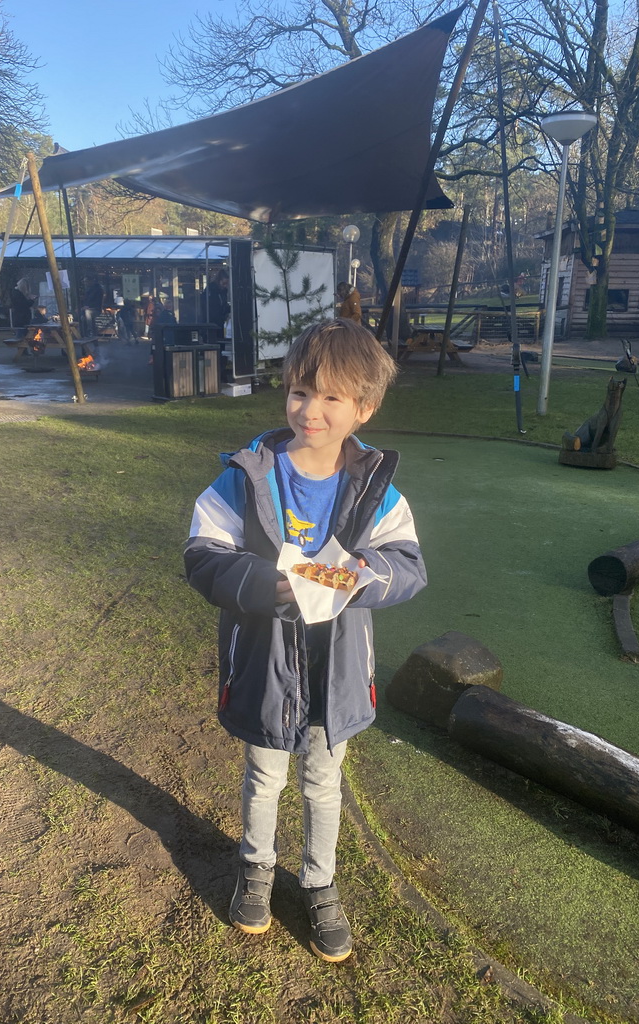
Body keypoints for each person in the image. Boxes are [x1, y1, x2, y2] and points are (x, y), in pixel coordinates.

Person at [184, 319, 427, 962]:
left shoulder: (376, 489)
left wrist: (363, 578)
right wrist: (267, 586)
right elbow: (203, 555)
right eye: (298, 392)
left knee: (324, 780)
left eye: (330, 398)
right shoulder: (248, 475)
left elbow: (407, 563)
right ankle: (256, 868)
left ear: (363, 409)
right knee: (265, 775)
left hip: (337, 669)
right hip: (266, 662)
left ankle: (320, 883)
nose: (309, 411)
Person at [202, 269, 230, 338]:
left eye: (226, 284)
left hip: (220, 321)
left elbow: (223, 304)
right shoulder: (211, 290)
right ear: (219, 281)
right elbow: (209, 307)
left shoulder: (223, 291)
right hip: (212, 321)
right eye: (224, 283)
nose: (225, 286)